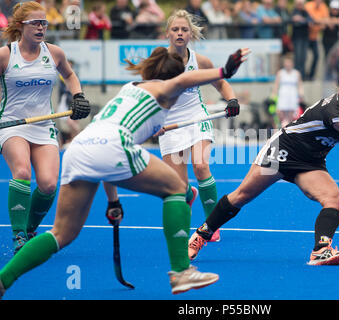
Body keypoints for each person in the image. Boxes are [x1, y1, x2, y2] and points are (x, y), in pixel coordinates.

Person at [0, 46, 251, 298]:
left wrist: (113, 200)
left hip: (80, 148)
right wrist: (223, 71)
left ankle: (4, 279)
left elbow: (107, 157)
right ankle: (181, 272)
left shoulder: (130, 89)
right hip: (113, 145)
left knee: (61, 233)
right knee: (178, 190)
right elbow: (185, 80)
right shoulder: (163, 89)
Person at [187, 59, 339, 266]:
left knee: (333, 198)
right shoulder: (337, 109)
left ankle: (320, 251)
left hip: (311, 161)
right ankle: (201, 234)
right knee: (241, 196)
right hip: (283, 151)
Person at [0, 1, 90, 254]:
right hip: (11, 124)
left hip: (43, 125)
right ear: (21, 26)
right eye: (35, 23)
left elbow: (70, 75)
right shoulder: (6, 55)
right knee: (22, 171)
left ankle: (29, 229)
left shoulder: (54, 53)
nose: (41, 27)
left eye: (44, 23)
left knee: (49, 184)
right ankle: (18, 235)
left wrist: (78, 96)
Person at [157, 9, 241, 243]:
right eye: (175, 29)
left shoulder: (200, 61)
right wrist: (152, 123)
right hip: (169, 124)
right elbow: (150, 96)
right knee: (177, 186)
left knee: (201, 165)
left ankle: (211, 224)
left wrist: (231, 99)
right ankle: (188, 194)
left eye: (184, 29)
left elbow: (222, 84)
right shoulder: (159, 63)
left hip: (196, 117)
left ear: (190, 34)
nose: (180, 33)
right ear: (168, 33)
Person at [271, 54, 304, 128]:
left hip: (292, 96)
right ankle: (281, 128)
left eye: (289, 62)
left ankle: (288, 130)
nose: (287, 64)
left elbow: (300, 86)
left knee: (291, 117)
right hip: (283, 95)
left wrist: (301, 95)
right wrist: (273, 95)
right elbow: (276, 85)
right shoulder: (280, 73)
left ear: (292, 63)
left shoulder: (296, 73)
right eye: (286, 63)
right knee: (280, 115)